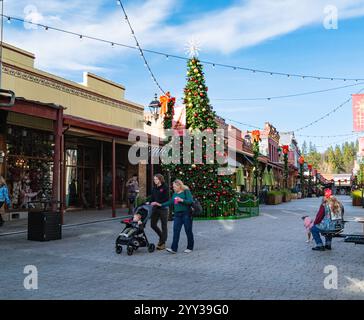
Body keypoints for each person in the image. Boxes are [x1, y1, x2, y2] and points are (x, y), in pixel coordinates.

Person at [151, 179, 194, 254]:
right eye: (173, 187)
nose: (173, 188)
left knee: (188, 230)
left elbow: (190, 201)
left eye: (174, 187)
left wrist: (181, 200)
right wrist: (160, 204)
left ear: (179, 186)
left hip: (186, 214)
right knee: (176, 231)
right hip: (177, 215)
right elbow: (171, 202)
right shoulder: (175, 193)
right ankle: (174, 248)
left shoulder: (186, 191)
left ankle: (190, 247)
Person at [148, 174, 169, 250]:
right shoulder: (154, 188)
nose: (155, 181)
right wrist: (149, 202)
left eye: (156, 179)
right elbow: (152, 198)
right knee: (153, 224)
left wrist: (157, 203)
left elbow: (166, 199)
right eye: (154, 179)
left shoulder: (165, 187)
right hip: (155, 209)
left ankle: (162, 242)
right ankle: (161, 237)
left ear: (160, 179)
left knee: (164, 226)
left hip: (163, 208)